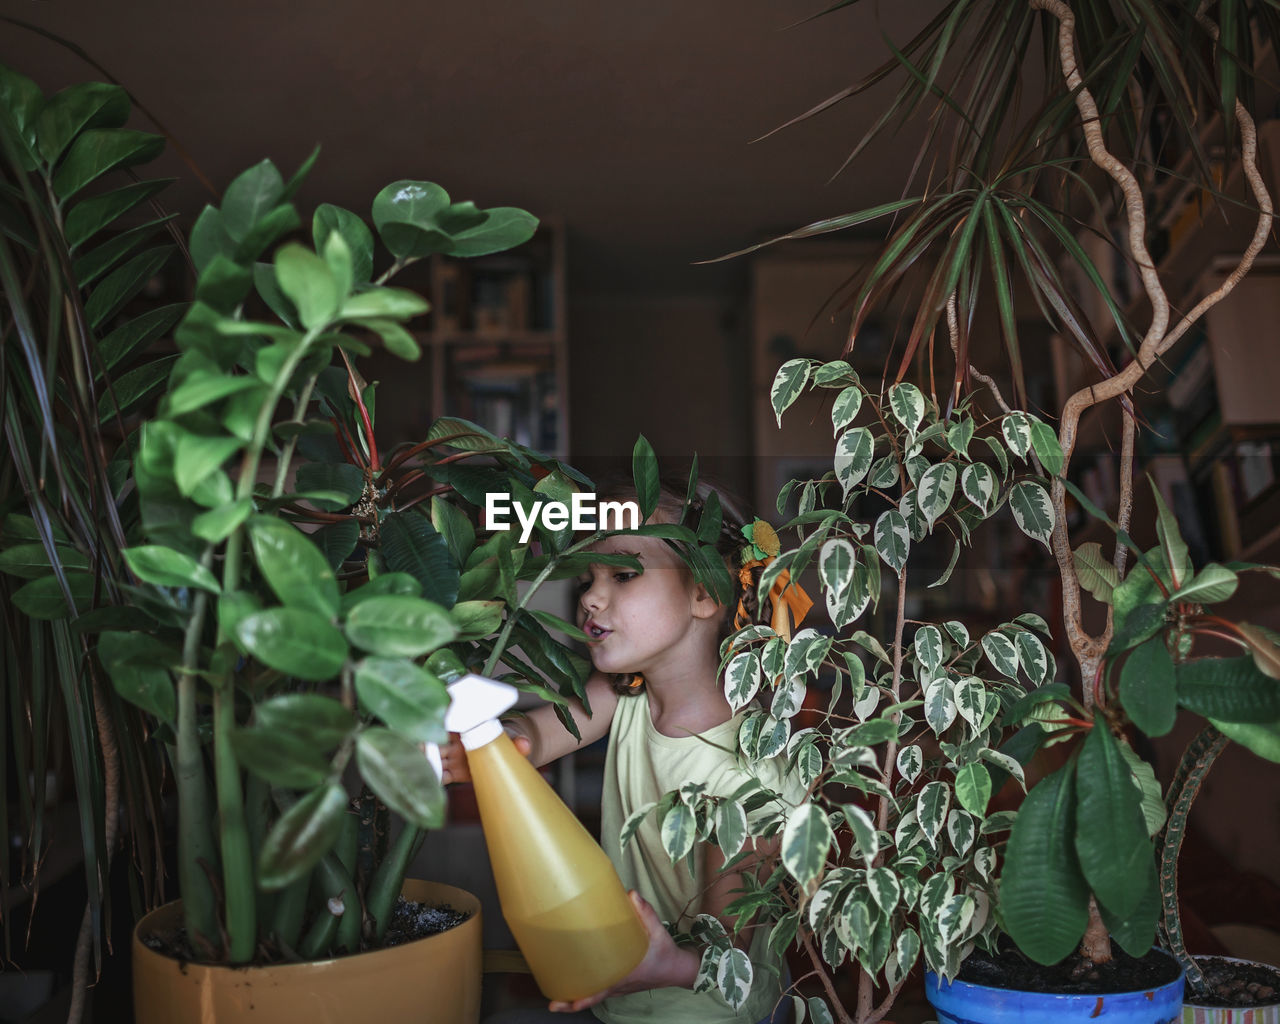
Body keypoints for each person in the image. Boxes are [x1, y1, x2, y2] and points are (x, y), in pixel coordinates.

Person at [440, 480, 806, 1024]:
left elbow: (727, 953)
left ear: (704, 593)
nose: (588, 596)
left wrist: (666, 964)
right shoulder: (625, 694)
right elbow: (540, 735)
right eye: (588, 578)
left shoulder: (747, 775)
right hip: (623, 997)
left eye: (624, 574)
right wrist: (488, 739)